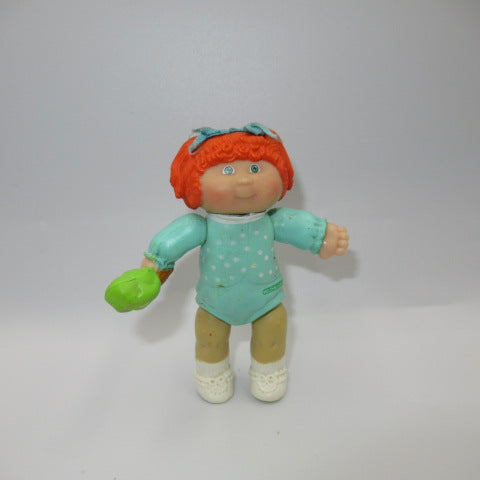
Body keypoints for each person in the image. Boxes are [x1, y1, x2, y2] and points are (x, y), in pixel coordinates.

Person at [107, 123, 349, 403]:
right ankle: (212, 373)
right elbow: (168, 247)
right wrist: (150, 272)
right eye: (228, 171)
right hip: (216, 301)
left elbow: (299, 226)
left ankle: (268, 371)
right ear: (194, 183)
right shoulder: (199, 226)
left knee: (273, 326)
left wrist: (322, 237)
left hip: (266, 298)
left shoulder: (274, 221)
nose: (244, 180)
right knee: (209, 335)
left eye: (256, 169)